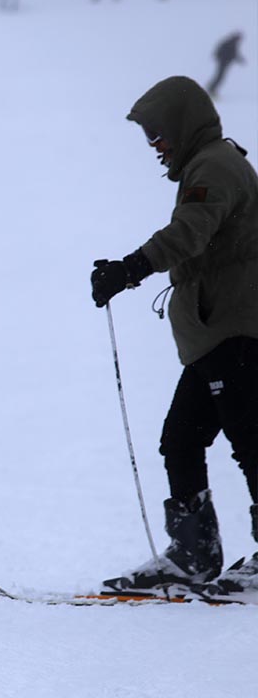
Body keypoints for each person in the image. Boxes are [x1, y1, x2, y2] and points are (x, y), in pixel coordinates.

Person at [91, 76, 258, 595]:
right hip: (217, 334)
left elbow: (190, 232)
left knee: (251, 442)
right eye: (150, 137)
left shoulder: (214, 166)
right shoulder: (209, 164)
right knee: (181, 439)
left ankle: (201, 555)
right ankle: (193, 554)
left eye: (159, 133)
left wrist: (129, 269)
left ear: (184, 124)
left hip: (237, 330)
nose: (156, 145)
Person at [206, 32, 245, 98]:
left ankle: (211, 89)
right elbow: (232, 53)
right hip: (223, 62)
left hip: (224, 62)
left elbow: (234, 54)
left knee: (219, 76)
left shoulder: (231, 43)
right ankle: (211, 90)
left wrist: (240, 60)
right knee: (219, 76)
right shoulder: (230, 43)